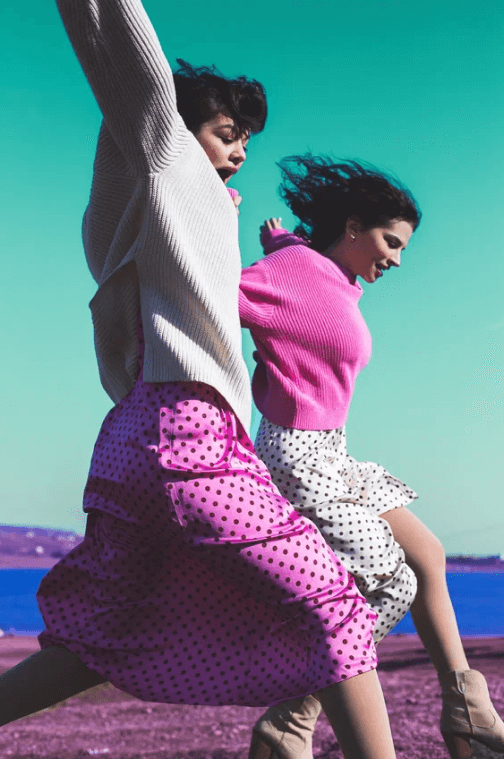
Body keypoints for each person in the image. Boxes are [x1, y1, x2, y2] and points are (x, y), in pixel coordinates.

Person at [0, 3, 400, 758]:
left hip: (134, 441)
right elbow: (128, 66)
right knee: (339, 606)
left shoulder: (163, 209)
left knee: (98, 635)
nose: (241, 149)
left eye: (247, 137)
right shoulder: (170, 168)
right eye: (227, 132)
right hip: (189, 434)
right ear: (177, 130)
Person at [239, 155, 504, 759]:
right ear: (354, 227)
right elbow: (215, 294)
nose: (398, 259)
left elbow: (299, 267)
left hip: (333, 451)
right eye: (391, 242)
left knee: (427, 554)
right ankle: (290, 720)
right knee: (391, 585)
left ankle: (467, 709)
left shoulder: (324, 269)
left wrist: (281, 238)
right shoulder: (292, 272)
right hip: (298, 457)